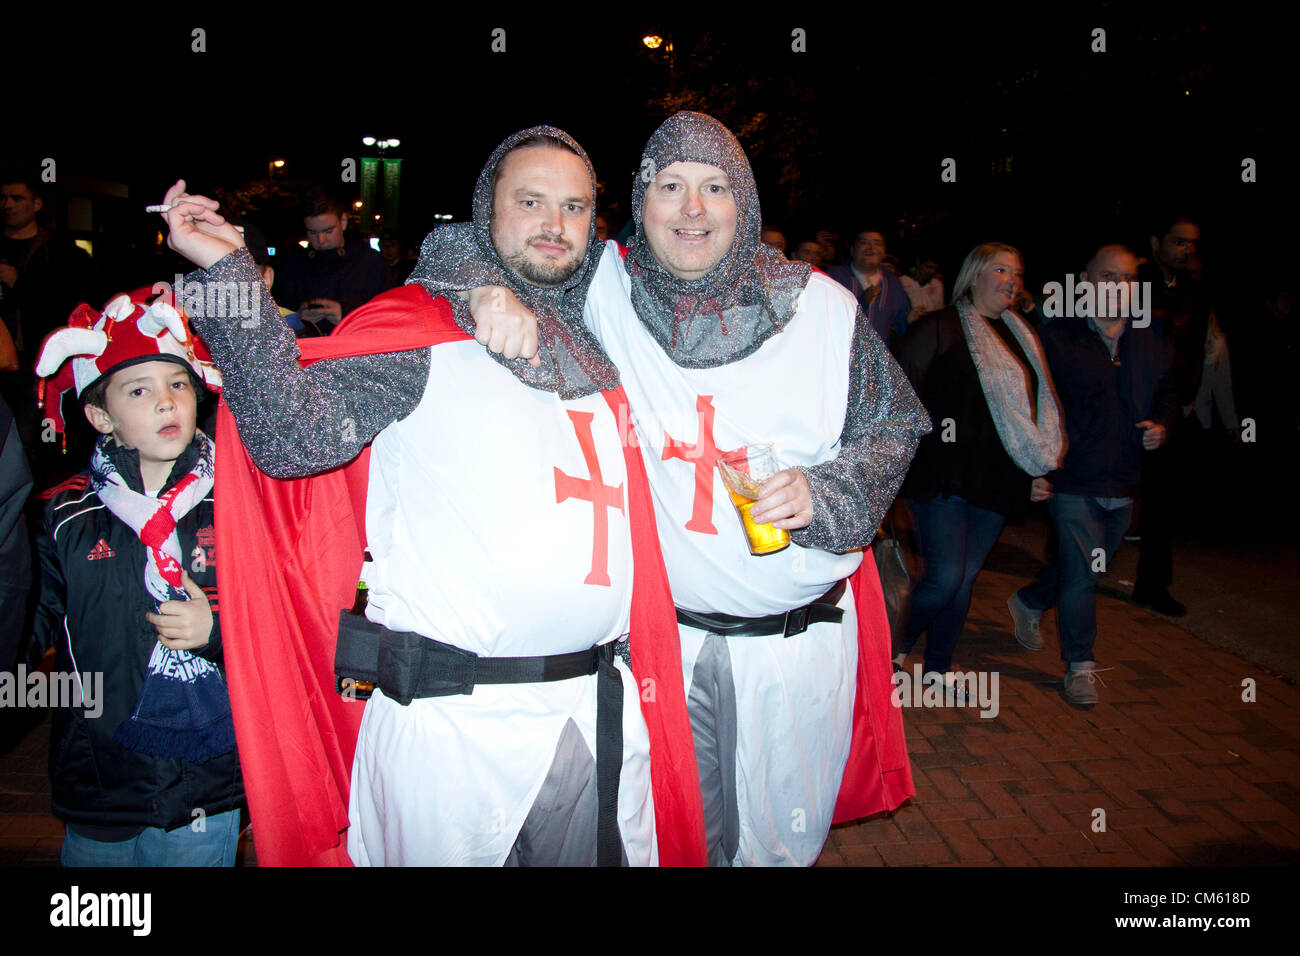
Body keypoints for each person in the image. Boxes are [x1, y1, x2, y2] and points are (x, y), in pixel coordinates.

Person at [160, 127, 704, 867]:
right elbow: (291, 440)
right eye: (531, 201)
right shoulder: (417, 337)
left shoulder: (598, 349)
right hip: (454, 734)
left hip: (594, 716)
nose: (554, 225)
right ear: (486, 215)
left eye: (573, 207)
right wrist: (227, 272)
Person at [433, 111, 931, 866]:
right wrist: (481, 291)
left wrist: (828, 494)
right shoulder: (602, 288)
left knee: (783, 846)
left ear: (746, 204)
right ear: (640, 202)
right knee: (677, 840)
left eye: (714, 187)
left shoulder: (821, 307)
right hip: (671, 647)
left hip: (801, 648)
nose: (692, 210)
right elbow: (469, 238)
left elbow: (894, 422)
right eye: (670, 187)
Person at [29, 291, 242, 865]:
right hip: (101, 772)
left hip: (207, 778)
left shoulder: (238, 502)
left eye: (177, 384)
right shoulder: (63, 515)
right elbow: (26, 628)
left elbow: (283, 616)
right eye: (139, 390)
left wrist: (218, 627)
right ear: (100, 415)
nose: (166, 403)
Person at [1007, 244, 1176, 705]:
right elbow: (1030, 401)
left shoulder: (1149, 333)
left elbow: (1168, 391)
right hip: (1074, 475)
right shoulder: (1056, 336)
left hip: (1125, 477)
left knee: (1085, 565)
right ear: (1086, 280)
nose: (1117, 287)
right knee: (1084, 575)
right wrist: (1039, 464)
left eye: (1125, 278)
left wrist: (1162, 424)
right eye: (1107, 276)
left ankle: (1030, 601)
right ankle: (1080, 664)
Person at [893, 242, 1063, 689]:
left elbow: (1028, 411)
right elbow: (897, 390)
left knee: (964, 578)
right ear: (975, 275)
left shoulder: (1020, 334)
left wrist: (1034, 467)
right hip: (943, 476)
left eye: (1017, 273)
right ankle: (892, 649)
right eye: (1001, 270)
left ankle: (937, 669)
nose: (1011, 280)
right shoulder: (940, 327)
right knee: (946, 576)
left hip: (997, 478)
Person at [274, 186, 394, 334]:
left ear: (343, 221)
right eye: (312, 232)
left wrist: (347, 315)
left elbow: (390, 315)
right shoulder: (293, 265)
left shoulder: (370, 262)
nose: (321, 240)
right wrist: (297, 318)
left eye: (328, 231)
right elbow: (279, 314)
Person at [827, 229, 912, 347]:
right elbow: (826, 317)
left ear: (884, 253)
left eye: (877, 243)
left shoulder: (893, 282)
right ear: (852, 250)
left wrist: (912, 320)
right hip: (840, 351)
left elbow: (901, 324)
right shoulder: (834, 277)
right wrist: (862, 302)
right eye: (864, 242)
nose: (871, 247)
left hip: (878, 358)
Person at [899, 252, 944, 324]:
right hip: (909, 326)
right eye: (928, 267)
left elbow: (939, 310)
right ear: (918, 263)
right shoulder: (902, 281)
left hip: (930, 325)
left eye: (934, 268)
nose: (931, 271)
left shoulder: (937, 284)